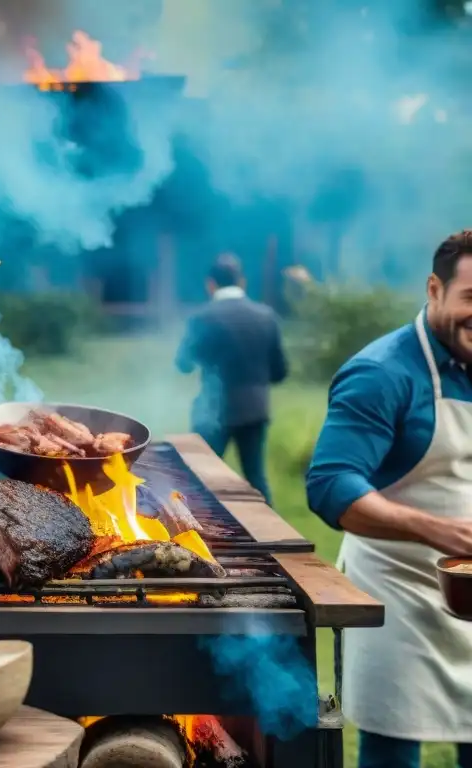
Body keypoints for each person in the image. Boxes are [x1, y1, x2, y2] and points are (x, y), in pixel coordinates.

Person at [306, 230, 472, 768]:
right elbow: (332, 485)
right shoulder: (382, 373)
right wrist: (442, 531)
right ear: (434, 288)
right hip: (398, 593)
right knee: (393, 748)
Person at [175, 253, 288, 503]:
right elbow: (280, 372)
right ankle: (272, 537)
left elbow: (183, 364)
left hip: (213, 411)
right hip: (255, 409)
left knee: (198, 479)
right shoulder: (265, 316)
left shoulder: (202, 317)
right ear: (242, 282)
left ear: (210, 283)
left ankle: (196, 534)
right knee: (256, 477)